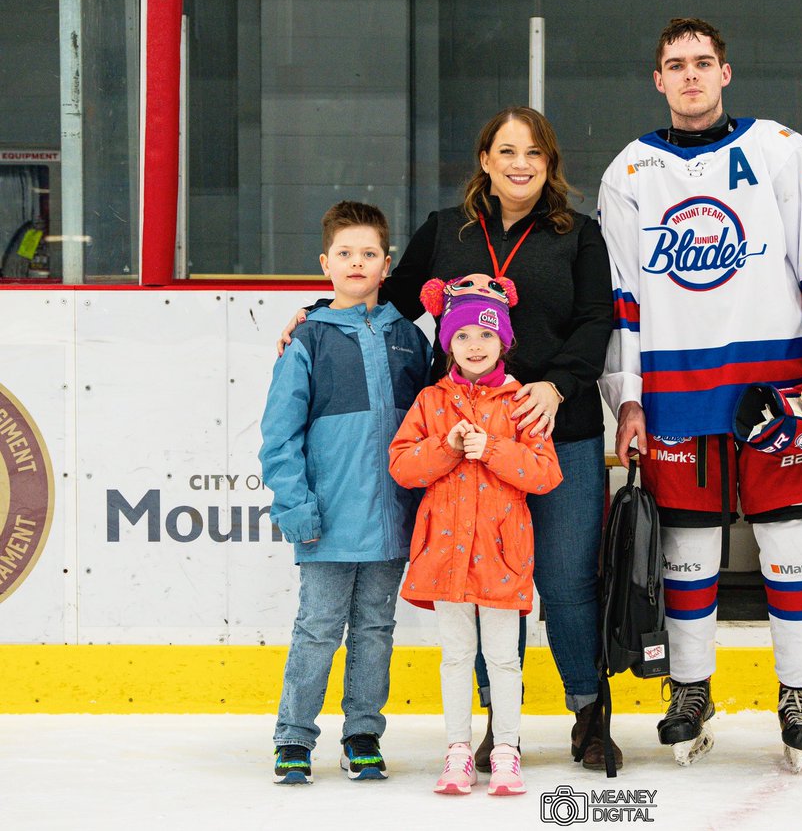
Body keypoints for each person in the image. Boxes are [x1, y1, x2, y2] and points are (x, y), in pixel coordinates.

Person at [277, 106, 617, 769]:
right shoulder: (446, 232)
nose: (521, 164)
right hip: (466, 441)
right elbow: (390, 297)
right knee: (485, 584)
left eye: (535, 154)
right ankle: (501, 726)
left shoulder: (579, 235)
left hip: (557, 430)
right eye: (507, 152)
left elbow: (595, 320)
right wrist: (321, 313)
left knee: (567, 579)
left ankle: (588, 712)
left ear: (550, 165)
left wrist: (557, 386)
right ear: (485, 162)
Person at [598, 18, 802, 771]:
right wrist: (625, 399)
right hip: (675, 391)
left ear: (726, 72)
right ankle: (690, 689)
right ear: (657, 79)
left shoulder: (782, 151)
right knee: (686, 554)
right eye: (674, 65)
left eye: (702, 63)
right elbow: (625, 300)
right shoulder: (628, 173)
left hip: (776, 388)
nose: (689, 75)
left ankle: (800, 696)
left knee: (792, 543)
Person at [259, 201, 431, 785]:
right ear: (325, 263)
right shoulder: (307, 340)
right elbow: (279, 438)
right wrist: (297, 507)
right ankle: (293, 736)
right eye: (345, 253)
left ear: (387, 265)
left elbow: (425, 430)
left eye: (368, 254)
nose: (356, 262)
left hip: (390, 523)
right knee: (318, 629)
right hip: (328, 520)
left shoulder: (410, 340)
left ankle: (362, 733)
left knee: (377, 631)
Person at [389, 274, 563, 796]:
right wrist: (446, 445)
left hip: (502, 556)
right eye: (463, 336)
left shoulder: (520, 404)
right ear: (448, 342)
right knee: (457, 656)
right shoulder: (430, 402)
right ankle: (458, 751)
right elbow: (403, 467)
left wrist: (490, 447)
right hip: (445, 555)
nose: (475, 345)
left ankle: (506, 749)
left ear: (504, 340)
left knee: (505, 658)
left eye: (486, 335)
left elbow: (544, 474)